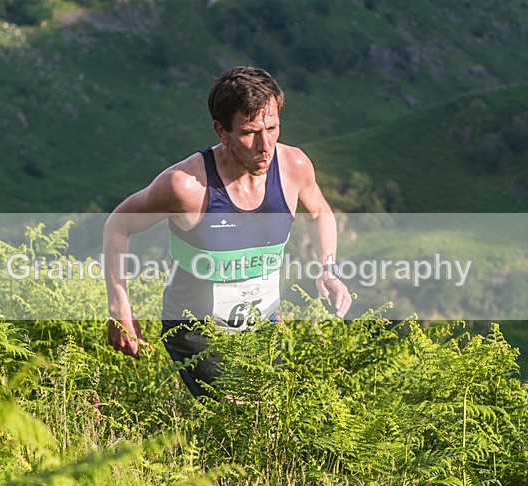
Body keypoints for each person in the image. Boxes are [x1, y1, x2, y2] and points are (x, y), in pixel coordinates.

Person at [103, 66, 351, 396]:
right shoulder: (185, 186)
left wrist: (328, 268)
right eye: (250, 133)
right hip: (195, 331)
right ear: (222, 131)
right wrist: (119, 305)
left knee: (272, 426)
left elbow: (320, 214)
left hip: (263, 326)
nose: (265, 145)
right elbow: (118, 225)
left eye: (273, 128)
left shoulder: (294, 167)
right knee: (238, 416)